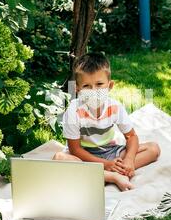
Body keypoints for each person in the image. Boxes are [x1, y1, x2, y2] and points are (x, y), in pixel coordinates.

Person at [53, 52, 160, 191]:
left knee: (153, 149)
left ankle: (102, 174)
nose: (94, 91)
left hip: (110, 150)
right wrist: (106, 164)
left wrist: (129, 160)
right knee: (59, 158)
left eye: (99, 84)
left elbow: (131, 137)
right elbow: (75, 149)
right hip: (83, 155)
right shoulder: (73, 111)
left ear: (110, 86)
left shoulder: (115, 107)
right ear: (77, 89)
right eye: (86, 86)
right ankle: (113, 176)